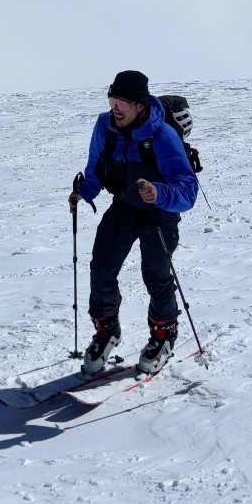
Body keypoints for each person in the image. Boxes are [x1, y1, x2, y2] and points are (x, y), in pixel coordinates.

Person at [68, 69, 198, 376]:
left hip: (158, 214)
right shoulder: (106, 126)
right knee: (101, 269)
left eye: (123, 101)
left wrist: (159, 193)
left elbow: (187, 190)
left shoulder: (162, 136)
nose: (115, 106)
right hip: (124, 206)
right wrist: (83, 191)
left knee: (156, 276)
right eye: (113, 98)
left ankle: (163, 336)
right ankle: (106, 331)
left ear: (140, 105)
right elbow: (96, 165)